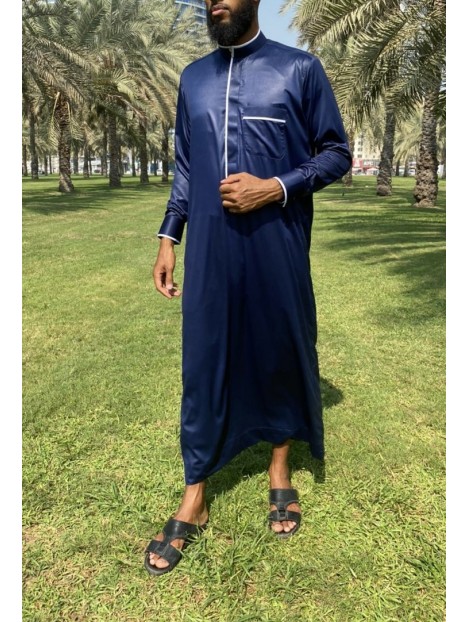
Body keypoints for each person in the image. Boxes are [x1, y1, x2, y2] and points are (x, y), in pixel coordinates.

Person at [144, 0, 351, 576]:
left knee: (278, 347)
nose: (216, 2)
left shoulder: (299, 69)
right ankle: (195, 491)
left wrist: (275, 187)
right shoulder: (194, 78)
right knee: (203, 359)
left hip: (277, 242)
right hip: (211, 248)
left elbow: (336, 153)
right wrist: (169, 235)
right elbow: (187, 165)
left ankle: (279, 465)